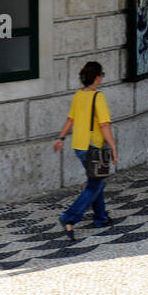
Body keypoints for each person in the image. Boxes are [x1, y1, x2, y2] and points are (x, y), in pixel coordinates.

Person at [53, 61, 119, 240]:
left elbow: (70, 119)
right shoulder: (98, 97)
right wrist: (113, 146)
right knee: (95, 184)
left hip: (79, 146)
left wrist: (61, 138)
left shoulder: (78, 95)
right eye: (102, 74)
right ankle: (69, 217)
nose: (102, 78)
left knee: (96, 181)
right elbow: (104, 125)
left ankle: (101, 217)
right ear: (97, 77)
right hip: (93, 147)